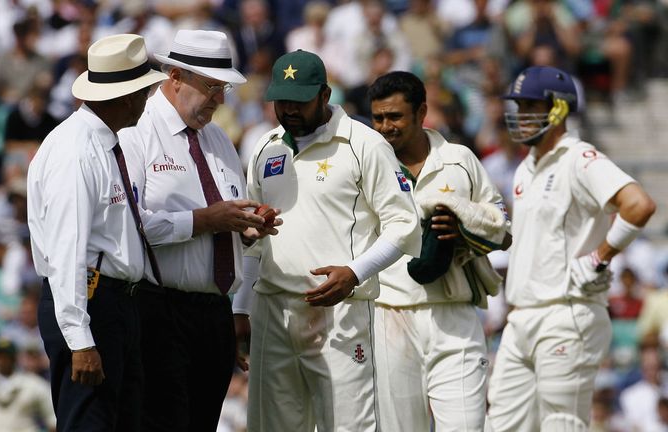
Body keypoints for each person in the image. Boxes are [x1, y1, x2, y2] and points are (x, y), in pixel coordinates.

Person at [244, 49, 422, 432]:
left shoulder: (365, 144)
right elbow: (254, 242)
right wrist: (241, 309)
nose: (289, 110)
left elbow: (405, 224)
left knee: (348, 427)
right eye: (282, 101)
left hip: (342, 313)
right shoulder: (265, 148)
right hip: (274, 310)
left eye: (300, 100)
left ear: (325, 95)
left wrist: (355, 273)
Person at [118, 29, 275, 432]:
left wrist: (247, 226)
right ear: (174, 78)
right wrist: (207, 220)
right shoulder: (136, 133)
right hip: (159, 308)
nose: (220, 100)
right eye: (211, 87)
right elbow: (129, 225)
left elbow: (227, 214)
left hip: (215, 314)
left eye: (222, 88)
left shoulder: (219, 139)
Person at [485, 65, 656, 431]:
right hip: (520, 318)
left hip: (567, 314)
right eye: (520, 106)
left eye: (532, 106)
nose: (522, 116)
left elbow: (638, 205)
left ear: (558, 108)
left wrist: (600, 256)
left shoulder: (578, 157)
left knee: (561, 424)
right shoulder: (524, 169)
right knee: (501, 425)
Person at [27, 34, 169, 431]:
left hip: (112, 304)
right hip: (90, 305)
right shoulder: (77, 152)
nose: (147, 99)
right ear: (125, 97)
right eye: (143, 91)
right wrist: (80, 339)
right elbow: (66, 248)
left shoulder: (101, 144)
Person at [367, 71, 511, 432]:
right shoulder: (364, 162)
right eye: (379, 118)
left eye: (395, 116)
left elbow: (503, 232)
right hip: (389, 315)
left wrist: (464, 228)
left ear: (421, 113)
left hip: (454, 317)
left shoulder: (460, 159)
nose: (386, 127)